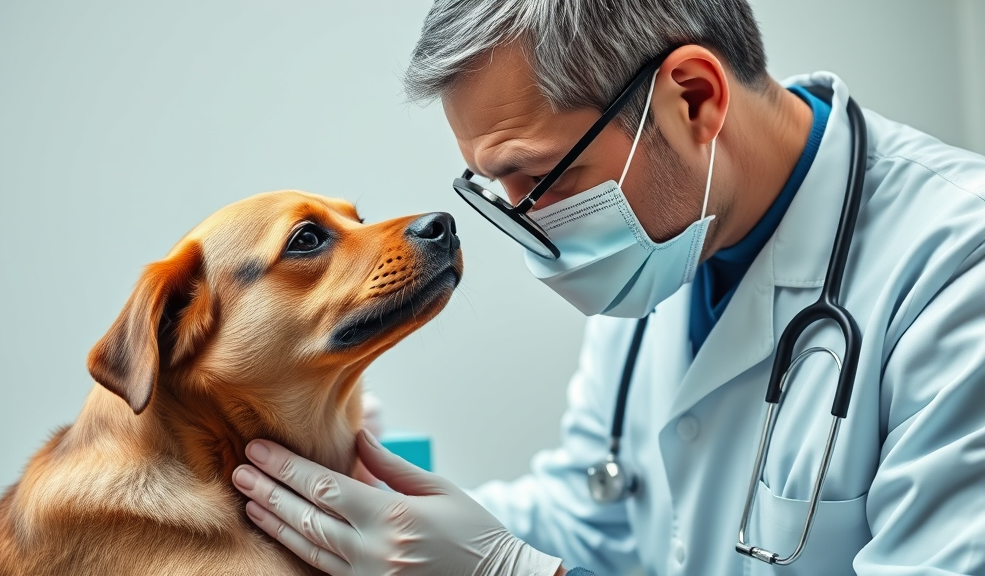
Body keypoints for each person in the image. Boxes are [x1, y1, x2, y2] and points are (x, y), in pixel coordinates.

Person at [230, 1, 985, 575]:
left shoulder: (957, 267)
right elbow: (600, 512)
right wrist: (378, 501)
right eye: (499, 187)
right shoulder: (667, 235)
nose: (532, 229)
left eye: (542, 178)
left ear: (692, 98)